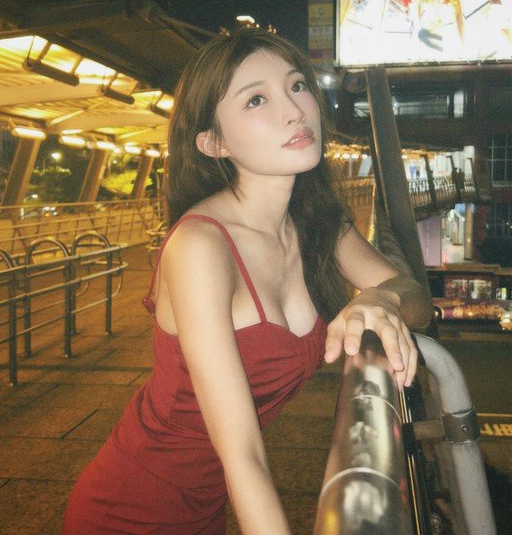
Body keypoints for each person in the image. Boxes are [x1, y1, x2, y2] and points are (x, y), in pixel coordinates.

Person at [62, 29, 432, 534]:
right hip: (131, 508)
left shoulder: (316, 222)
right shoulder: (200, 246)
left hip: (208, 503)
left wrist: (382, 299)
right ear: (214, 143)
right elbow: (242, 453)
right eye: (256, 99)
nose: (294, 111)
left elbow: (415, 296)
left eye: (297, 86)